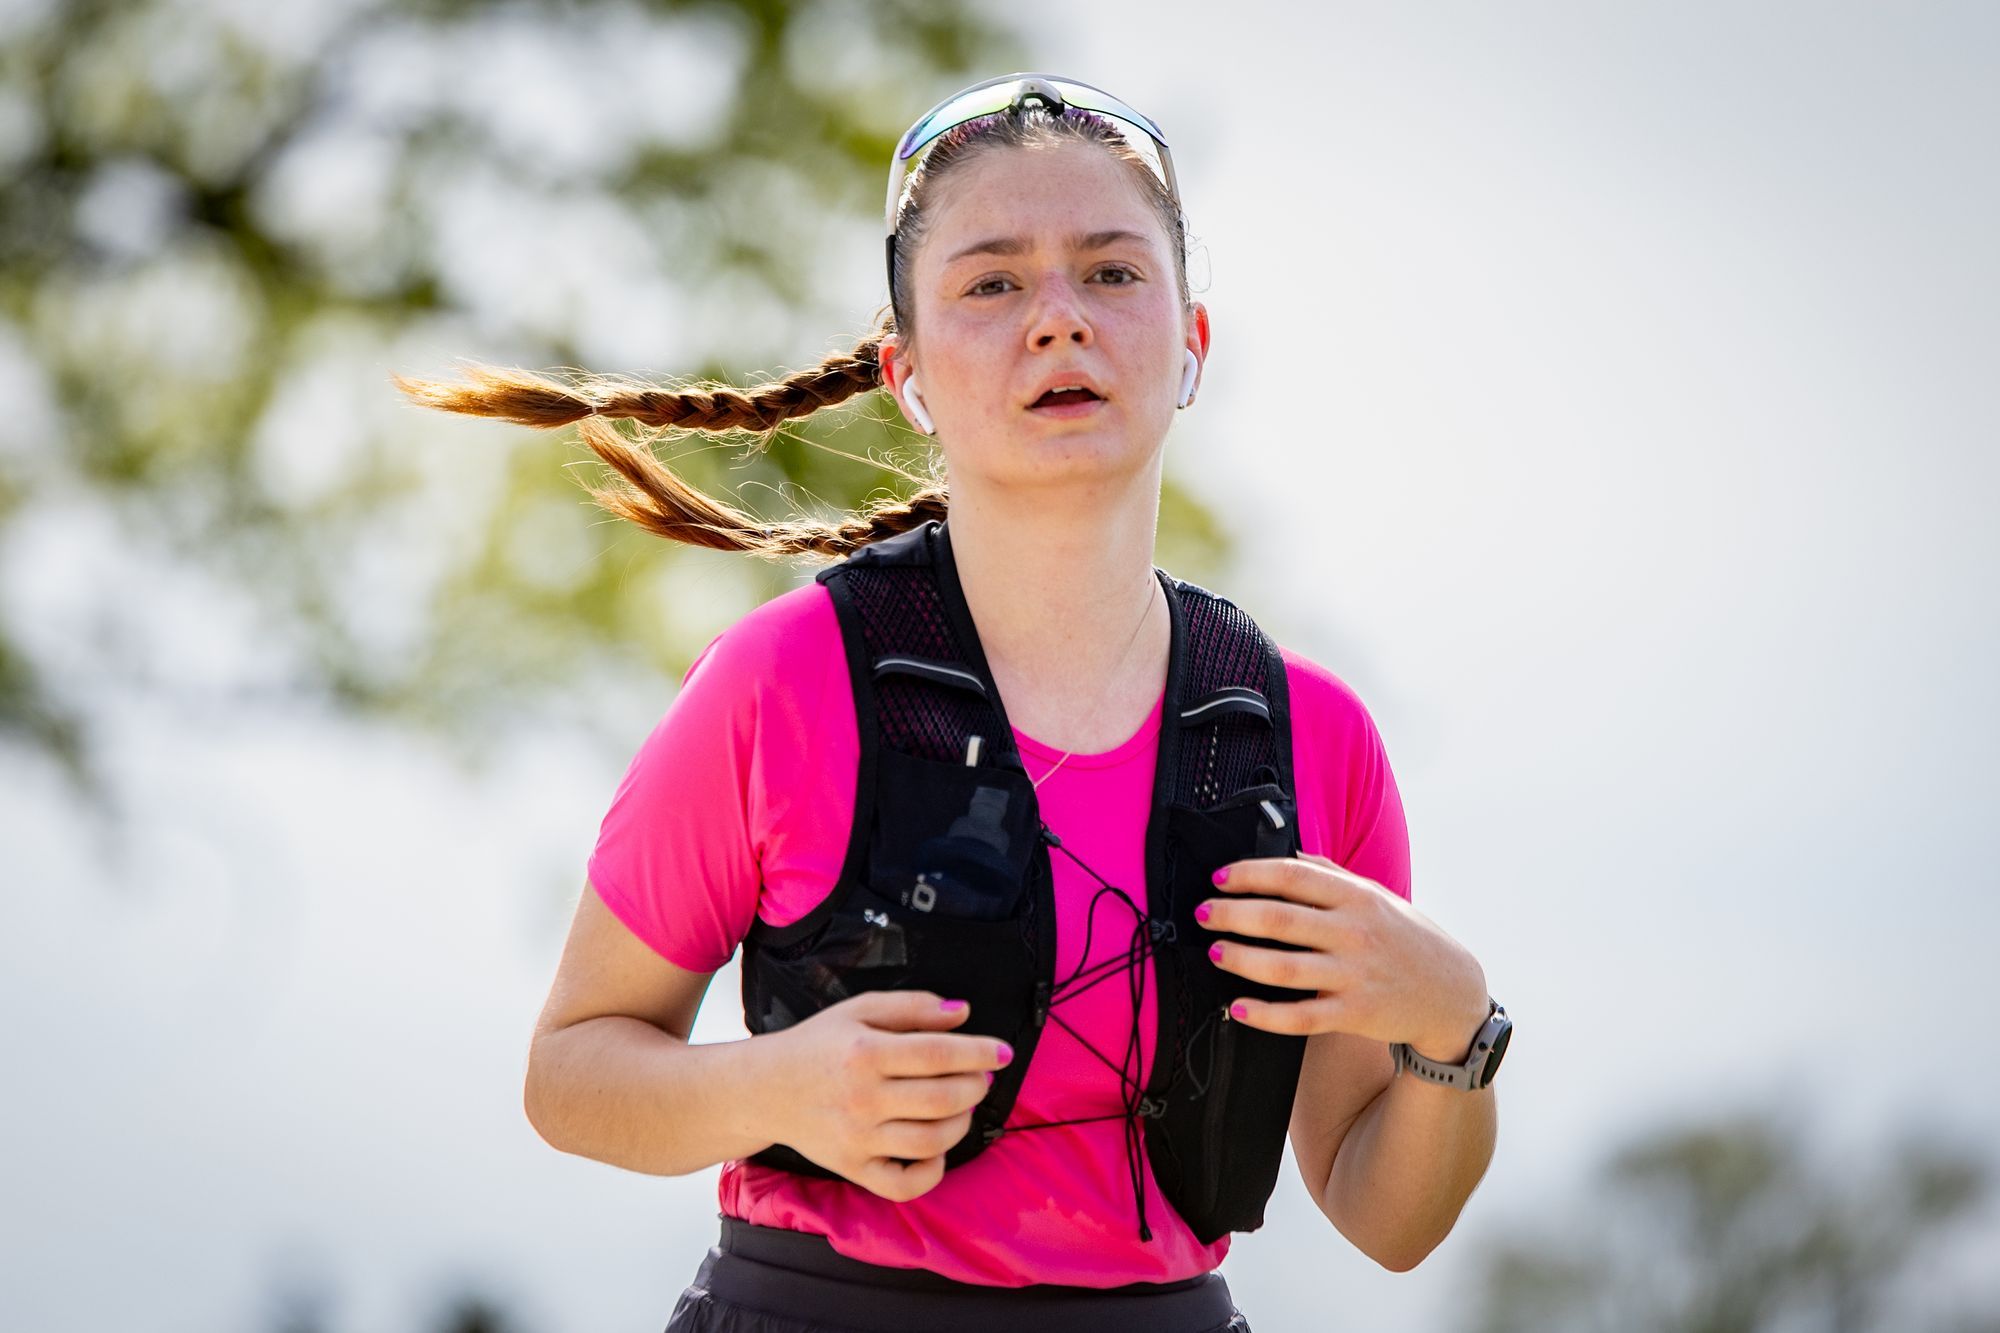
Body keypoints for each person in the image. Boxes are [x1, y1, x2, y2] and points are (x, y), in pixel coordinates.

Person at [396, 72, 1507, 1333]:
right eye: (991, 282)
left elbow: (1387, 1216)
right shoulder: (781, 682)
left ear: (1190, 345)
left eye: (1110, 272)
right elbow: (570, 1071)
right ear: (907, 372)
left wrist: (1452, 1020)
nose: (1058, 321)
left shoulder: (1310, 741)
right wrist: (779, 1089)